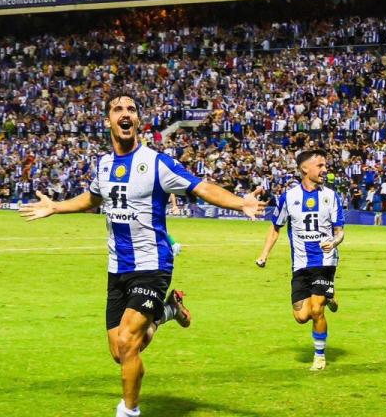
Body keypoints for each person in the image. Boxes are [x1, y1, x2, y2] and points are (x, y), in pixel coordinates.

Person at [19, 94, 262, 417]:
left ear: (138, 121)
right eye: (118, 109)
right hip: (117, 267)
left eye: (131, 110)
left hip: (152, 265)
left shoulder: (157, 163)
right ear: (108, 120)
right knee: (119, 352)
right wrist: (56, 207)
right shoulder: (104, 164)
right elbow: (92, 198)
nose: (125, 114)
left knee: (128, 342)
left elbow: (200, 187)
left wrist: (239, 202)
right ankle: (167, 311)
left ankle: (129, 411)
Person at [255, 150, 345, 371]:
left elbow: (340, 231)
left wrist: (333, 242)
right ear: (306, 168)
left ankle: (320, 356)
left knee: (316, 310)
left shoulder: (331, 196)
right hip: (300, 263)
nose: (325, 170)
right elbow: (275, 228)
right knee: (301, 316)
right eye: (320, 165)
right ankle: (330, 295)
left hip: (325, 260)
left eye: (325, 165)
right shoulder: (288, 197)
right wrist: (264, 254)